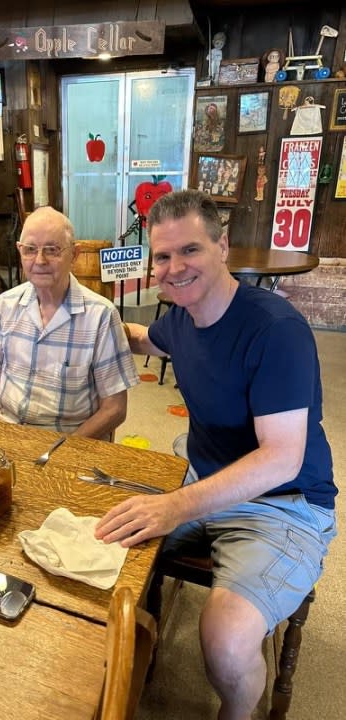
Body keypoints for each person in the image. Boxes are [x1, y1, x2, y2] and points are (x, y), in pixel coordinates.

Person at [95, 190, 337, 720]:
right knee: (98, 537)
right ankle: (129, 658)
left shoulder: (275, 329)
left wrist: (176, 506)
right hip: (207, 481)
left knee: (225, 638)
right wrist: (84, 313)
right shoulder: (180, 318)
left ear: (221, 245)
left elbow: (281, 459)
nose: (174, 268)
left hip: (285, 502)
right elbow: (144, 339)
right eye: (162, 256)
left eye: (190, 251)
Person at [0, 206, 139, 439]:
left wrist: (61, 451)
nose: (39, 260)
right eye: (30, 249)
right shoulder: (4, 305)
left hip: (71, 442)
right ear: (19, 251)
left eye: (52, 250)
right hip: (7, 435)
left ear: (75, 254)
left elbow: (115, 409)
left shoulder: (101, 315)